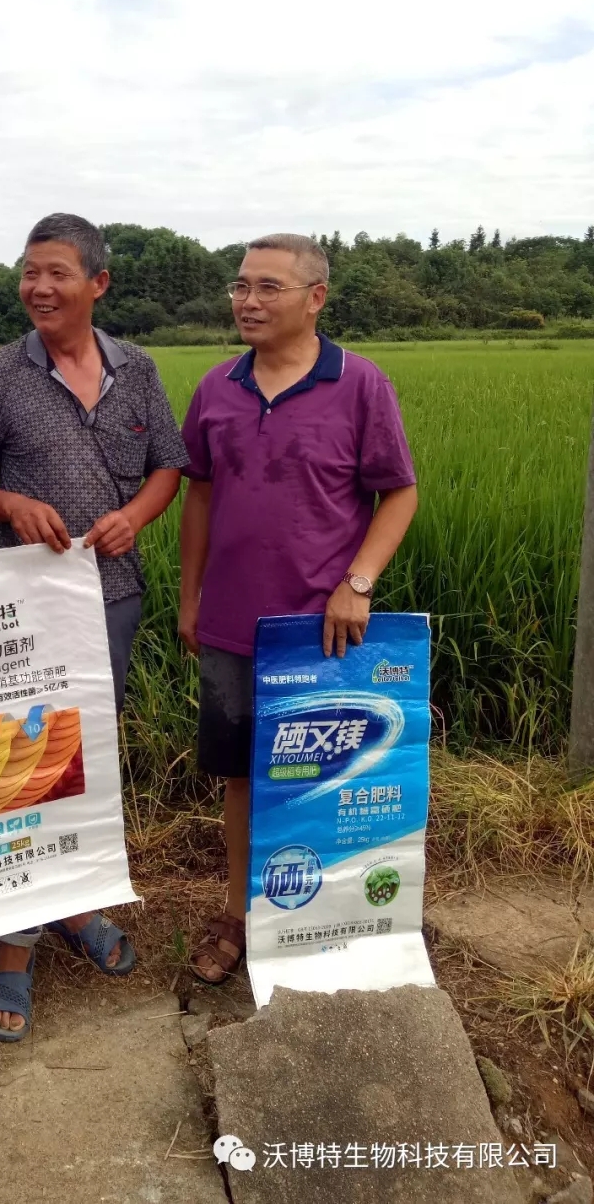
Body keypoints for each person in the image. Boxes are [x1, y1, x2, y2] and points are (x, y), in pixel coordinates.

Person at [0, 211, 189, 1042]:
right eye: (28, 272)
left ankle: (75, 903)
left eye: (56, 273)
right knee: (28, 762)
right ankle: (12, 952)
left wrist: (136, 515)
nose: (38, 288)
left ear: (98, 283)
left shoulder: (140, 371)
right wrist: (11, 503)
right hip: (26, 601)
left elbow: (171, 464)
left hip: (114, 592)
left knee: (87, 759)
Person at [178, 233, 418, 984]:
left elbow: (398, 491)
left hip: (322, 631)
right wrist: (191, 597)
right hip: (233, 625)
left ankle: (323, 920)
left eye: (267, 287)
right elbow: (202, 493)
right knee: (243, 778)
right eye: (240, 286)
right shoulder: (218, 387)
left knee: (328, 774)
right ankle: (241, 915)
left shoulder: (360, 383)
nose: (248, 300)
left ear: (315, 297)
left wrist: (360, 580)